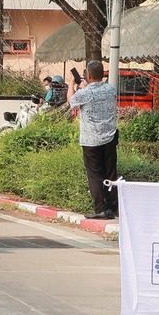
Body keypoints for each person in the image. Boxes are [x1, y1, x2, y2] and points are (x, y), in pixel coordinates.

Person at [69, 59, 119, 221]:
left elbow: (71, 101)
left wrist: (72, 83)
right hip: (110, 138)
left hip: (91, 141)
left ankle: (101, 209)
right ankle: (114, 208)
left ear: (88, 75)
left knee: (95, 175)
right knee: (110, 174)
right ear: (103, 73)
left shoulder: (85, 93)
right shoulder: (111, 89)